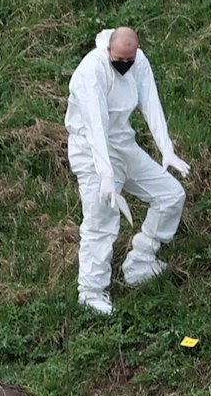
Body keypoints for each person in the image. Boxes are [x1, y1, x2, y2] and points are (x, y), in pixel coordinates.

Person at [64, 26, 191, 315]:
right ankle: (91, 292)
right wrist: (105, 176)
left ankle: (141, 261)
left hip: (124, 146)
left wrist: (166, 149)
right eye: (119, 60)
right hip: (90, 152)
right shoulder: (90, 72)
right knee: (101, 221)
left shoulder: (138, 60)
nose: (125, 65)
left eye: (129, 60)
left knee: (171, 195)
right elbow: (95, 126)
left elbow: (150, 101)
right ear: (108, 50)